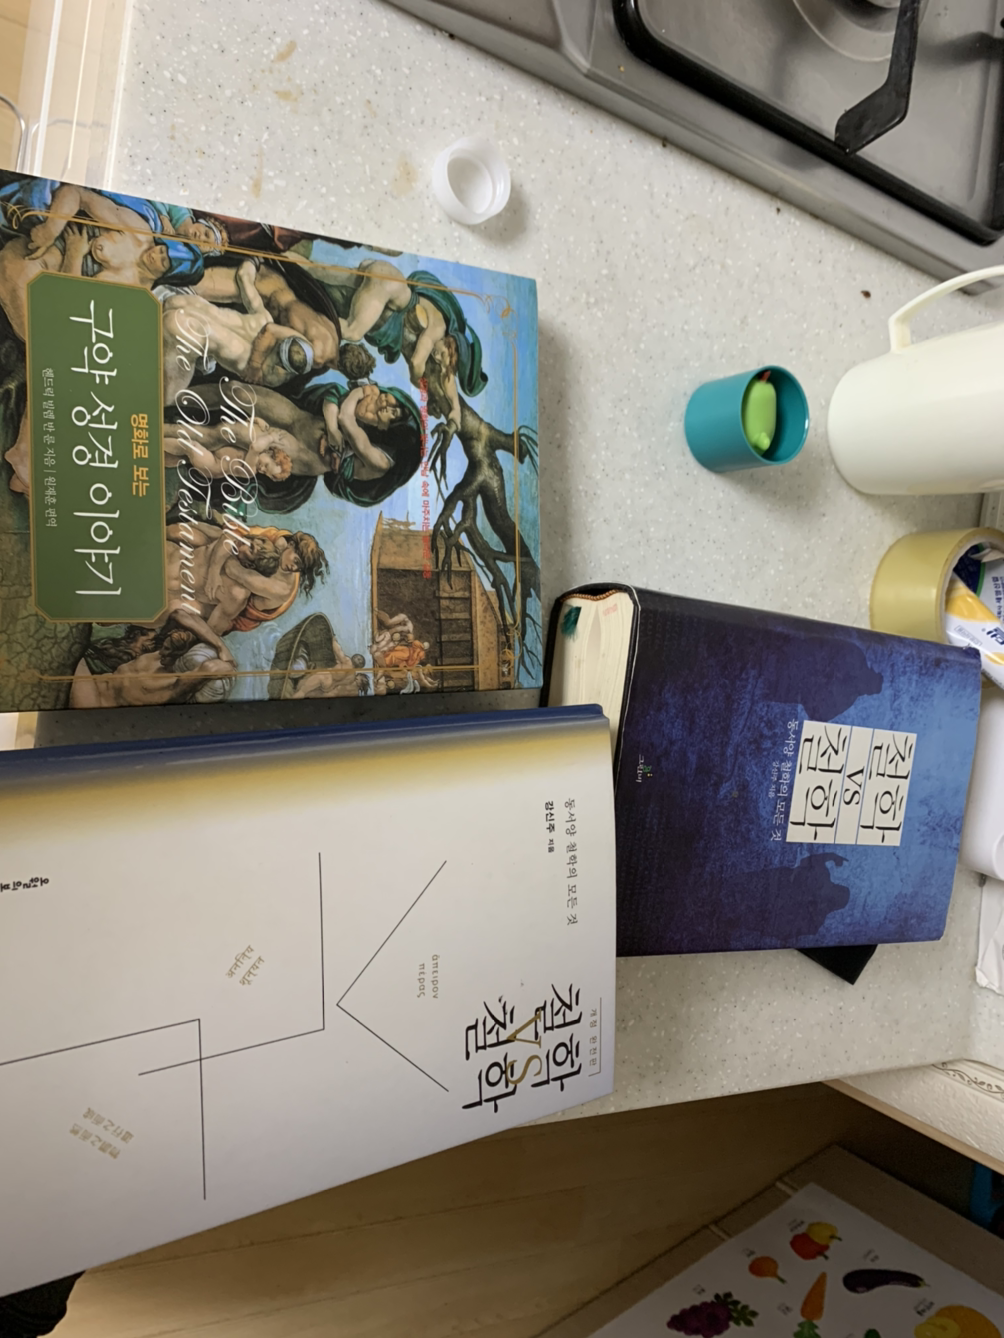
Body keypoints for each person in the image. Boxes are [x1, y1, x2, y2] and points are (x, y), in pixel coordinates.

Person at [189, 378, 424, 511]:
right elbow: (333, 396)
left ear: (392, 430)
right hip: (298, 418)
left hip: (304, 453)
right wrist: (332, 427)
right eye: (392, 405)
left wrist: (359, 392)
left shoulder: (380, 461)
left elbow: (344, 417)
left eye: (394, 414)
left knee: (228, 433)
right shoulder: (368, 417)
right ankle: (178, 398)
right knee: (235, 391)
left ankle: (176, 433)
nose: (387, 407)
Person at [161, 258, 318, 398]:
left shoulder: (264, 321)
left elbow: (244, 275)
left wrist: (254, 261)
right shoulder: (266, 369)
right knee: (175, 307)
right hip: (184, 329)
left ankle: (171, 392)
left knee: (175, 319)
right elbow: (243, 277)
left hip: (185, 332)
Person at [160, 521, 328, 647]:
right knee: (202, 534)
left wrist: (216, 568)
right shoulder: (278, 541)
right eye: (296, 561)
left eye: (299, 567)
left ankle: (199, 643)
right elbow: (235, 535)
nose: (294, 568)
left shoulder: (281, 588)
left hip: (234, 611)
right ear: (291, 545)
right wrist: (214, 568)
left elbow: (234, 570)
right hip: (229, 574)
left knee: (234, 594)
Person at [69, 626, 235, 709]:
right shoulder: (161, 655)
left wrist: (230, 665)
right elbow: (180, 614)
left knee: (71, 648)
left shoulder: (174, 690)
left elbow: (210, 668)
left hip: (91, 704)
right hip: (90, 683)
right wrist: (220, 646)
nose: (162, 651)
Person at [163, 420, 293, 483]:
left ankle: (158, 442)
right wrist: (256, 420)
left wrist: (271, 437)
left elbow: (254, 447)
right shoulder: (257, 453)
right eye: (266, 465)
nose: (262, 469)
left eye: (265, 473)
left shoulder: (251, 470)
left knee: (191, 446)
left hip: (212, 465)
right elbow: (243, 427)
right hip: (214, 456)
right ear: (270, 453)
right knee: (182, 455)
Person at [289, 633, 370, 698]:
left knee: (303, 691)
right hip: (330, 687)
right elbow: (340, 682)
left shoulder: (347, 661)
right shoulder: (352, 677)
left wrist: (333, 638)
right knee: (309, 693)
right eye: (359, 658)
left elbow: (338, 650)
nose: (358, 659)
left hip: (326, 677)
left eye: (359, 660)